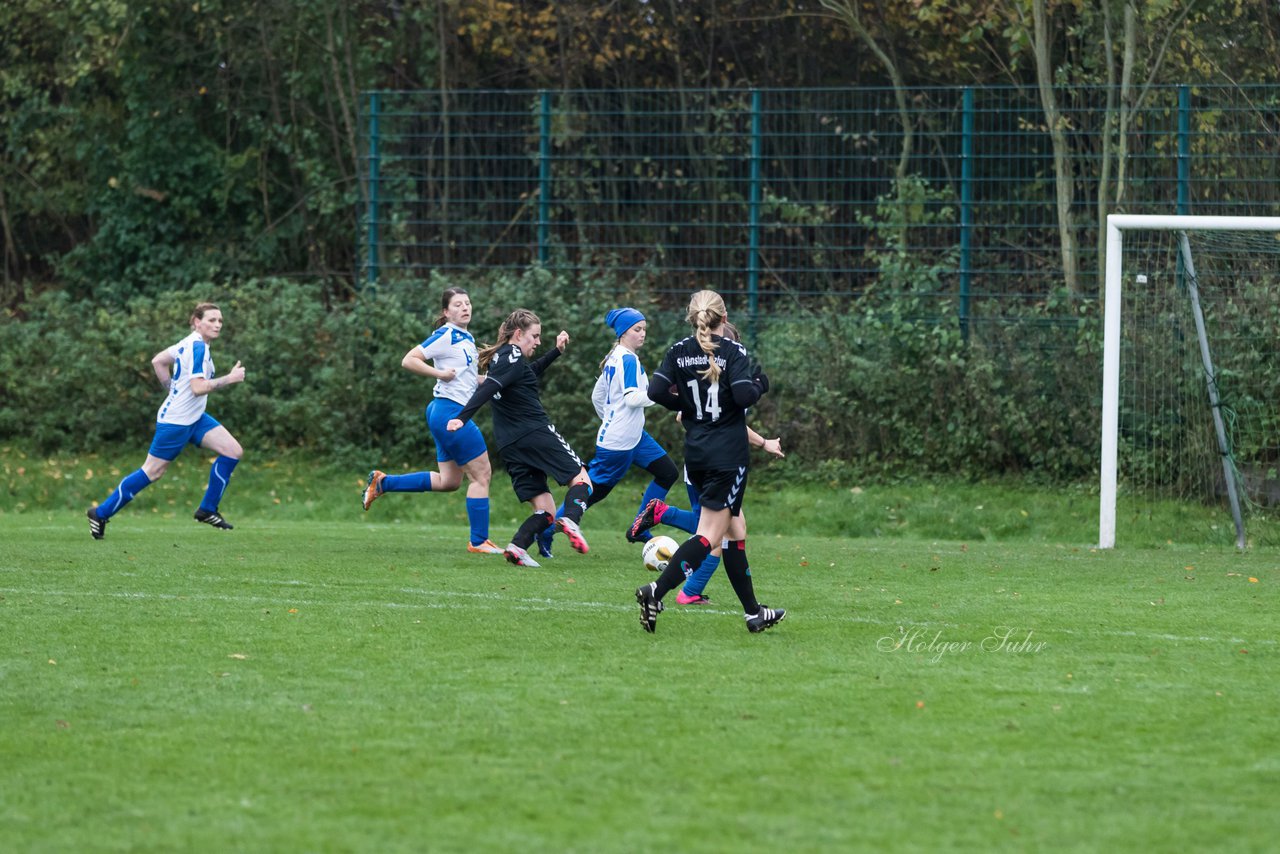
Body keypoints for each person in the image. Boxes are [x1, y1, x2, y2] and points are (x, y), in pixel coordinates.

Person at [634, 289, 785, 633]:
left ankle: (753, 613)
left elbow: (656, 393)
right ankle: (655, 592)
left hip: (697, 455)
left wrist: (686, 405)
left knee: (735, 531)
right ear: (724, 318)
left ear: (693, 318)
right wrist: (761, 384)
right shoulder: (733, 351)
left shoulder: (678, 352)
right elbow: (746, 395)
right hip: (728, 457)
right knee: (708, 538)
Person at [361, 287, 504, 555]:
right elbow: (409, 360)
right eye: (458, 304)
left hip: (442, 411)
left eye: (468, 303)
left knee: (449, 481)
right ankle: (479, 541)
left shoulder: (466, 337)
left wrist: (497, 382)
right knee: (482, 475)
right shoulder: (446, 334)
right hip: (449, 413)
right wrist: (439, 373)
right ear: (446, 312)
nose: (465, 307)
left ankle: (383, 483)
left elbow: (468, 380)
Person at [446, 308, 593, 568]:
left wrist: (556, 352)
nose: (538, 342)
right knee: (581, 479)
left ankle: (517, 546)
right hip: (534, 431)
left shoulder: (506, 359)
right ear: (518, 334)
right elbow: (491, 386)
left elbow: (529, 373)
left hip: (510, 444)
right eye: (535, 336)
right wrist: (463, 416)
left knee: (545, 509)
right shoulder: (512, 355)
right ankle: (571, 519)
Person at [86, 302, 246, 539]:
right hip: (177, 421)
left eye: (220, 320)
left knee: (233, 451)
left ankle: (207, 510)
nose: (217, 324)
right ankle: (100, 512)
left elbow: (158, 361)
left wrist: (171, 390)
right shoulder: (197, 347)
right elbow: (198, 388)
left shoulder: (188, 343)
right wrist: (229, 379)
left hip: (194, 417)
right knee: (152, 472)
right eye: (211, 320)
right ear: (196, 322)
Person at [536, 307, 678, 558]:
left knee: (667, 472)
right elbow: (633, 397)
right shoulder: (626, 359)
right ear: (624, 332)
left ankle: (639, 526)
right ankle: (546, 530)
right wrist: (661, 396)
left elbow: (597, 396)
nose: (642, 334)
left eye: (644, 329)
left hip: (633, 436)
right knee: (589, 493)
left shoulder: (616, 356)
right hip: (619, 443)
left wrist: (612, 417)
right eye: (637, 329)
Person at [630, 427, 784, 604]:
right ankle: (664, 515)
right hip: (714, 468)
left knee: (727, 531)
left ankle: (692, 592)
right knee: (717, 532)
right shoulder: (733, 398)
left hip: (704, 462)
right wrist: (764, 442)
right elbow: (732, 421)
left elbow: (685, 416)